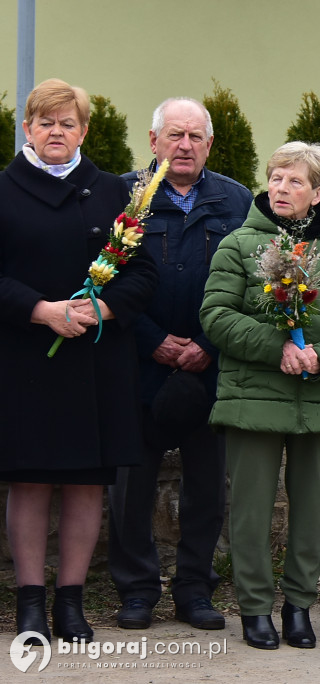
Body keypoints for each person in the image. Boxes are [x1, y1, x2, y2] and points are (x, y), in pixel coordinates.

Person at [200, 142, 320, 650]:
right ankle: (255, 609)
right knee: (251, 511)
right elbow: (216, 314)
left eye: (295, 181)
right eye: (276, 178)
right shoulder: (238, 244)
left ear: (319, 192)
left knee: (312, 511)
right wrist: (276, 347)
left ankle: (299, 607)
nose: (282, 188)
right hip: (252, 397)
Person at [0, 78, 157, 643]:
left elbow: (144, 274)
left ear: (85, 131)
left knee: (88, 484)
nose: (56, 132)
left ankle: (71, 602)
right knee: (31, 482)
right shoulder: (3, 190)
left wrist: (102, 310)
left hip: (96, 360)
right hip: (25, 360)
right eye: (46, 123)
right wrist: (39, 310)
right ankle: (30, 603)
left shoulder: (115, 192)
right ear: (27, 129)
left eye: (68, 123)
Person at [107, 97, 252, 632]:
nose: (184, 145)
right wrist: (151, 340)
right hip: (138, 365)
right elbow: (109, 276)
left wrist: (209, 345)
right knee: (131, 487)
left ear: (209, 144)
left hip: (210, 367)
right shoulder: (124, 194)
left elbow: (252, 282)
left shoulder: (236, 200)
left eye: (195, 137)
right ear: (153, 142)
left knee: (207, 491)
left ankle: (194, 589)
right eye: (174, 135)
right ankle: (137, 591)